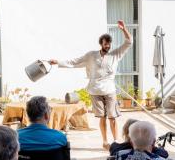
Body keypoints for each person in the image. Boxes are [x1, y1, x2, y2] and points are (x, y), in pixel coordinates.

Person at [50, 20, 133, 150]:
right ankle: (105, 141)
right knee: (102, 117)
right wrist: (58, 62)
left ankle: (116, 141)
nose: (108, 46)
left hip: (110, 90)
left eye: (109, 44)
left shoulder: (115, 54)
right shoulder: (91, 55)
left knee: (113, 117)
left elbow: (129, 42)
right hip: (95, 91)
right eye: (106, 44)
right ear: (101, 44)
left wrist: (123, 29)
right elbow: (75, 62)